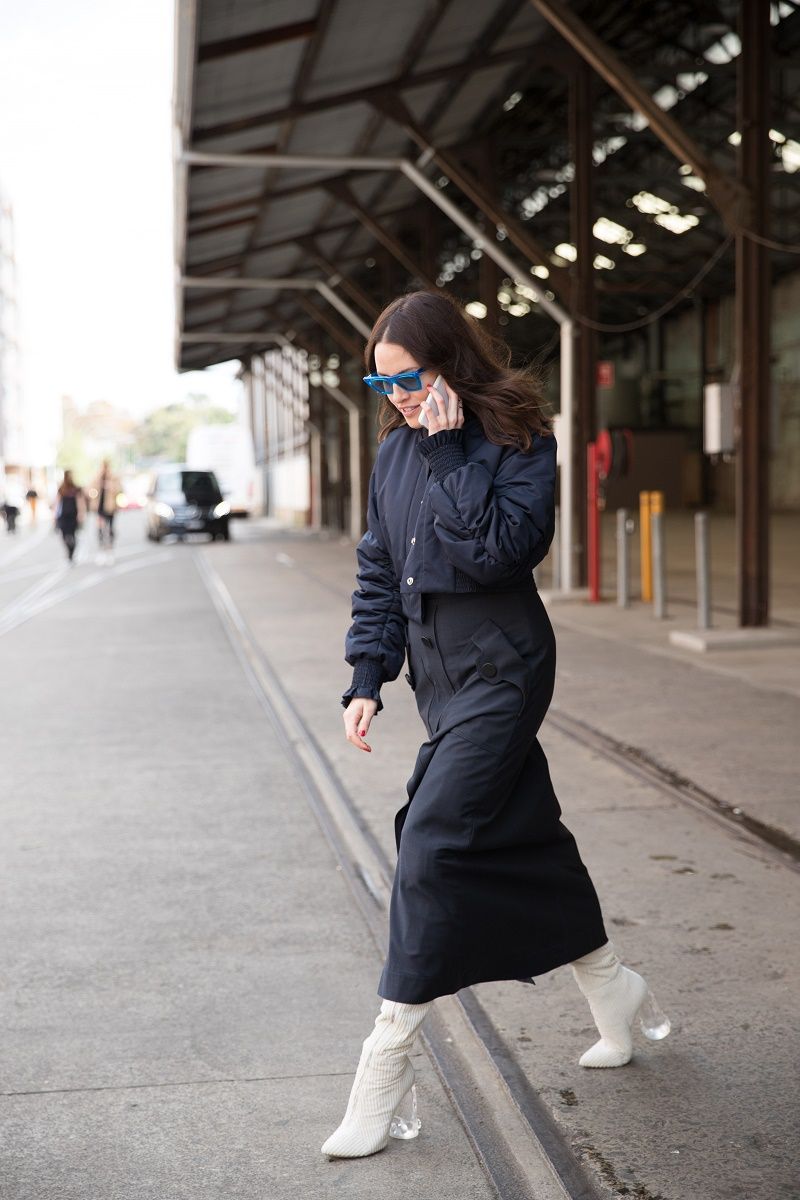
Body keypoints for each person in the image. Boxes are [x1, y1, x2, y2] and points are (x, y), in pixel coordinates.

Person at [322, 290, 671, 1161]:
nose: (396, 396)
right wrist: (368, 673)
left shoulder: (517, 439)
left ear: (452, 365)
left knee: (431, 842)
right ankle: (612, 988)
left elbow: (501, 553)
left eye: (410, 378)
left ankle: (386, 1063)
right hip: (440, 681)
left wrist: (448, 452)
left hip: (505, 670)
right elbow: (380, 566)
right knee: (527, 836)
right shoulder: (395, 451)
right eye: (381, 381)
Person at [90, 459, 121, 559]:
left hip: (110, 508)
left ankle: (110, 547)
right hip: (100, 508)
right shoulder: (97, 477)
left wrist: (110, 486)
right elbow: (90, 489)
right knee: (100, 529)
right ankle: (102, 547)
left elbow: (119, 489)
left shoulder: (113, 477)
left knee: (110, 528)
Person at [54, 470, 85, 563]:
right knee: (64, 535)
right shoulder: (61, 488)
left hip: (73, 515)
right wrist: (55, 515)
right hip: (63, 515)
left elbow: (80, 501)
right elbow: (57, 502)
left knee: (72, 534)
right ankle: (69, 550)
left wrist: (81, 513)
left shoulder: (76, 488)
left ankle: (72, 552)